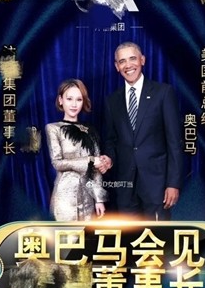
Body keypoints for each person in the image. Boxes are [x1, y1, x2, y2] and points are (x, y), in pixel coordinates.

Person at [97, 42, 183, 220]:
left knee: (157, 235)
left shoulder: (163, 93)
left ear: (142, 60)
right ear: (116, 66)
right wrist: (109, 159)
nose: (128, 65)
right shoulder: (112, 101)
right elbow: (111, 141)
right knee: (130, 235)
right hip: (125, 188)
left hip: (157, 186)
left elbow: (174, 142)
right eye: (122, 61)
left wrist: (173, 183)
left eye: (132, 59)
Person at [45, 78, 107, 221]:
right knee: (64, 235)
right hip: (64, 198)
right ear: (60, 100)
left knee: (87, 235)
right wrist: (90, 160)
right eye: (69, 99)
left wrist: (99, 199)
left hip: (88, 199)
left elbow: (96, 169)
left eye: (79, 99)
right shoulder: (53, 128)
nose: (74, 104)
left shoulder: (90, 130)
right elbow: (57, 163)